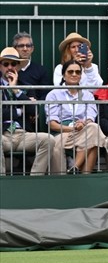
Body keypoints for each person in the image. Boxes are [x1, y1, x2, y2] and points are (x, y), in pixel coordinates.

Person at [1, 46, 55, 176]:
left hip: (22, 134)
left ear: (18, 67)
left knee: (48, 139)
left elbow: (33, 110)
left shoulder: (25, 85)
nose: (10, 67)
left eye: (13, 64)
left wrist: (16, 91)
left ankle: (35, 179)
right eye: (6, 64)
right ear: (0, 67)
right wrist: (20, 111)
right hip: (3, 134)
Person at [46, 60, 102, 174]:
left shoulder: (88, 94)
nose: (74, 74)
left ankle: (77, 170)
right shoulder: (53, 94)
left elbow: (91, 116)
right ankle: (63, 177)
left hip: (83, 129)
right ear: (63, 75)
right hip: (63, 131)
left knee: (94, 129)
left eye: (77, 72)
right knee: (92, 137)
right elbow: (52, 124)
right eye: (70, 72)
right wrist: (73, 129)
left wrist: (83, 123)